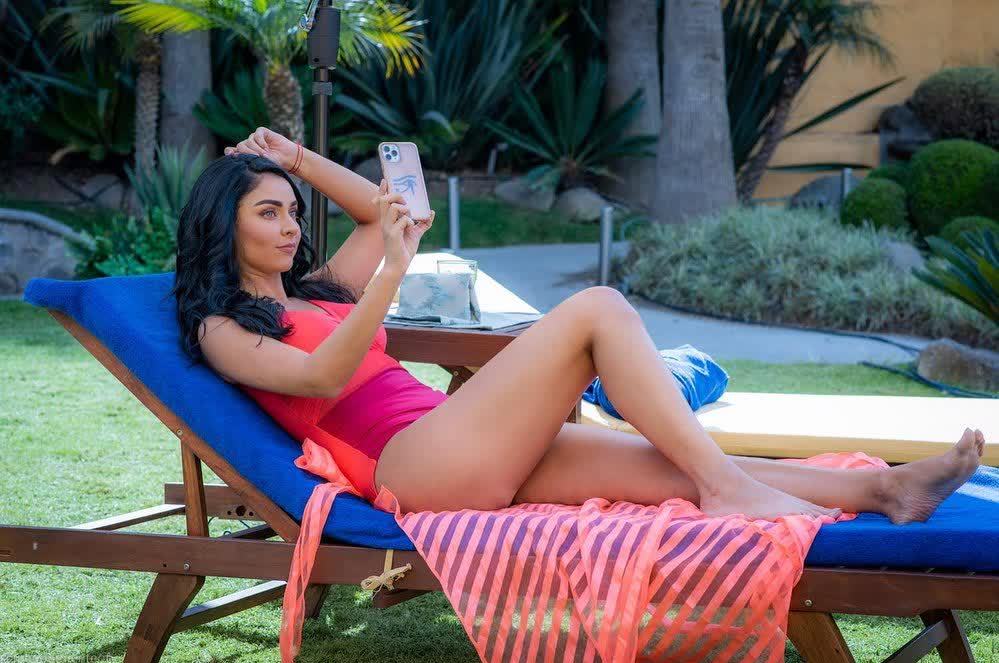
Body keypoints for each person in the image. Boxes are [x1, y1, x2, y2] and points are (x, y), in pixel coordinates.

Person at [176, 126, 985, 522]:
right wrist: (388, 272)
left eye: (291, 211)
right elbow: (320, 376)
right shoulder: (223, 328)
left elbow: (387, 213)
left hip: (455, 437)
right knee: (597, 307)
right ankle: (728, 490)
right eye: (267, 212)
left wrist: (294, 159)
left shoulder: (317, 293)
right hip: (411, 464)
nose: (289, 225)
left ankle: (884, 490)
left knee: (666, 462)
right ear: (223, 226)